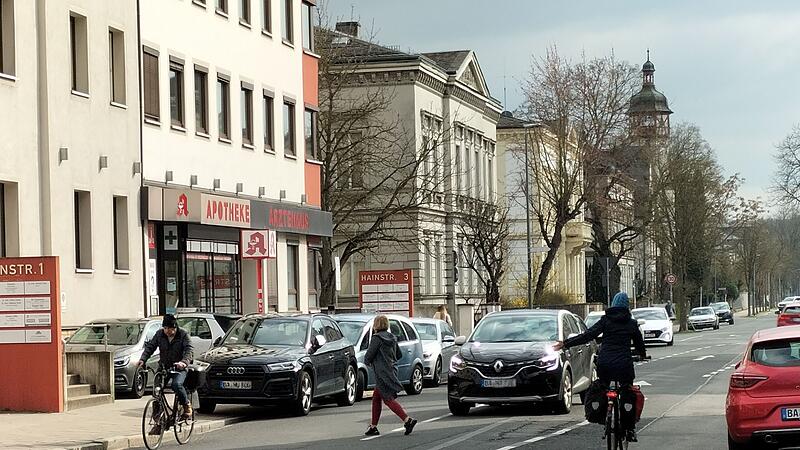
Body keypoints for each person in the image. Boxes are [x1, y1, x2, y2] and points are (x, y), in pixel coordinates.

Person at [553, 292, 646, 441]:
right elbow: (639, 344)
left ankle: (605, 415)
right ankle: (629, 429)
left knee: (602, 387)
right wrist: (642, 354)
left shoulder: (605, 321)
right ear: (626, 306)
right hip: (624, 366)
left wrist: (565, 344)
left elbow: (588, 335)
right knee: (627, 390)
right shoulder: (631, 323)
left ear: (613, 305)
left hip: (605, 364)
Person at [138, 314, 193, 433]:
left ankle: (186, 405)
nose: (168, 331)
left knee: (177, 385)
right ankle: (159, 421)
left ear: (175, 327)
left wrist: (184, 362)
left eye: (171, 329)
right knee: (157, 391)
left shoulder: (183, 335)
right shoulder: (159, 334)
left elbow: (189, 350)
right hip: (163, 368)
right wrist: (143, 359)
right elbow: (150, 347)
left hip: (179, 368)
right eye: (166, 328)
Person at [364, 315, 418, 436]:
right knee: (376, 398)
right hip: (392, 370)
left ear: (376, 325)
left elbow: (369, 356)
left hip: (381, 373)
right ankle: (373, 426)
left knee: (388, 399)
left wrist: (370, 362)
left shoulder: (376, 338)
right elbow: (398, 354)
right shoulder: (392, 338)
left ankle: (407, 420)